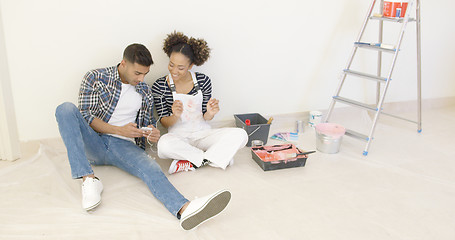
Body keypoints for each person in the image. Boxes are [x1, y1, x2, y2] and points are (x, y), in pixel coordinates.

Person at [55, 43, 231, 230]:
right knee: (65, 109)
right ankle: (88, 179)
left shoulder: (145, 91)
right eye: (137, 73)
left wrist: (151, 134)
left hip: (124, 147)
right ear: (123, 64)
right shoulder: (96, 78)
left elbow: (147, 124)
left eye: (145, 74)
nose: (141, 78)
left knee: (151, 167)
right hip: (94, 142)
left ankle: (185, 208)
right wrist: (118, 129)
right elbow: (86, 116)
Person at [151, 31, 248, 174]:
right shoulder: (159, 85)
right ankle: (215, 158)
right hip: (178, 137)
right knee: (164, 145)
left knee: (241, 135)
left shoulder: (203, 81)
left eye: (181, 67)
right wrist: (175, 115)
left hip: (203, 135)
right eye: (171, 65)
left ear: (190, 66)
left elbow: (206, 118)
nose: (174, 71)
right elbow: (164, 122)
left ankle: (190, 161)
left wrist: (210, 112)